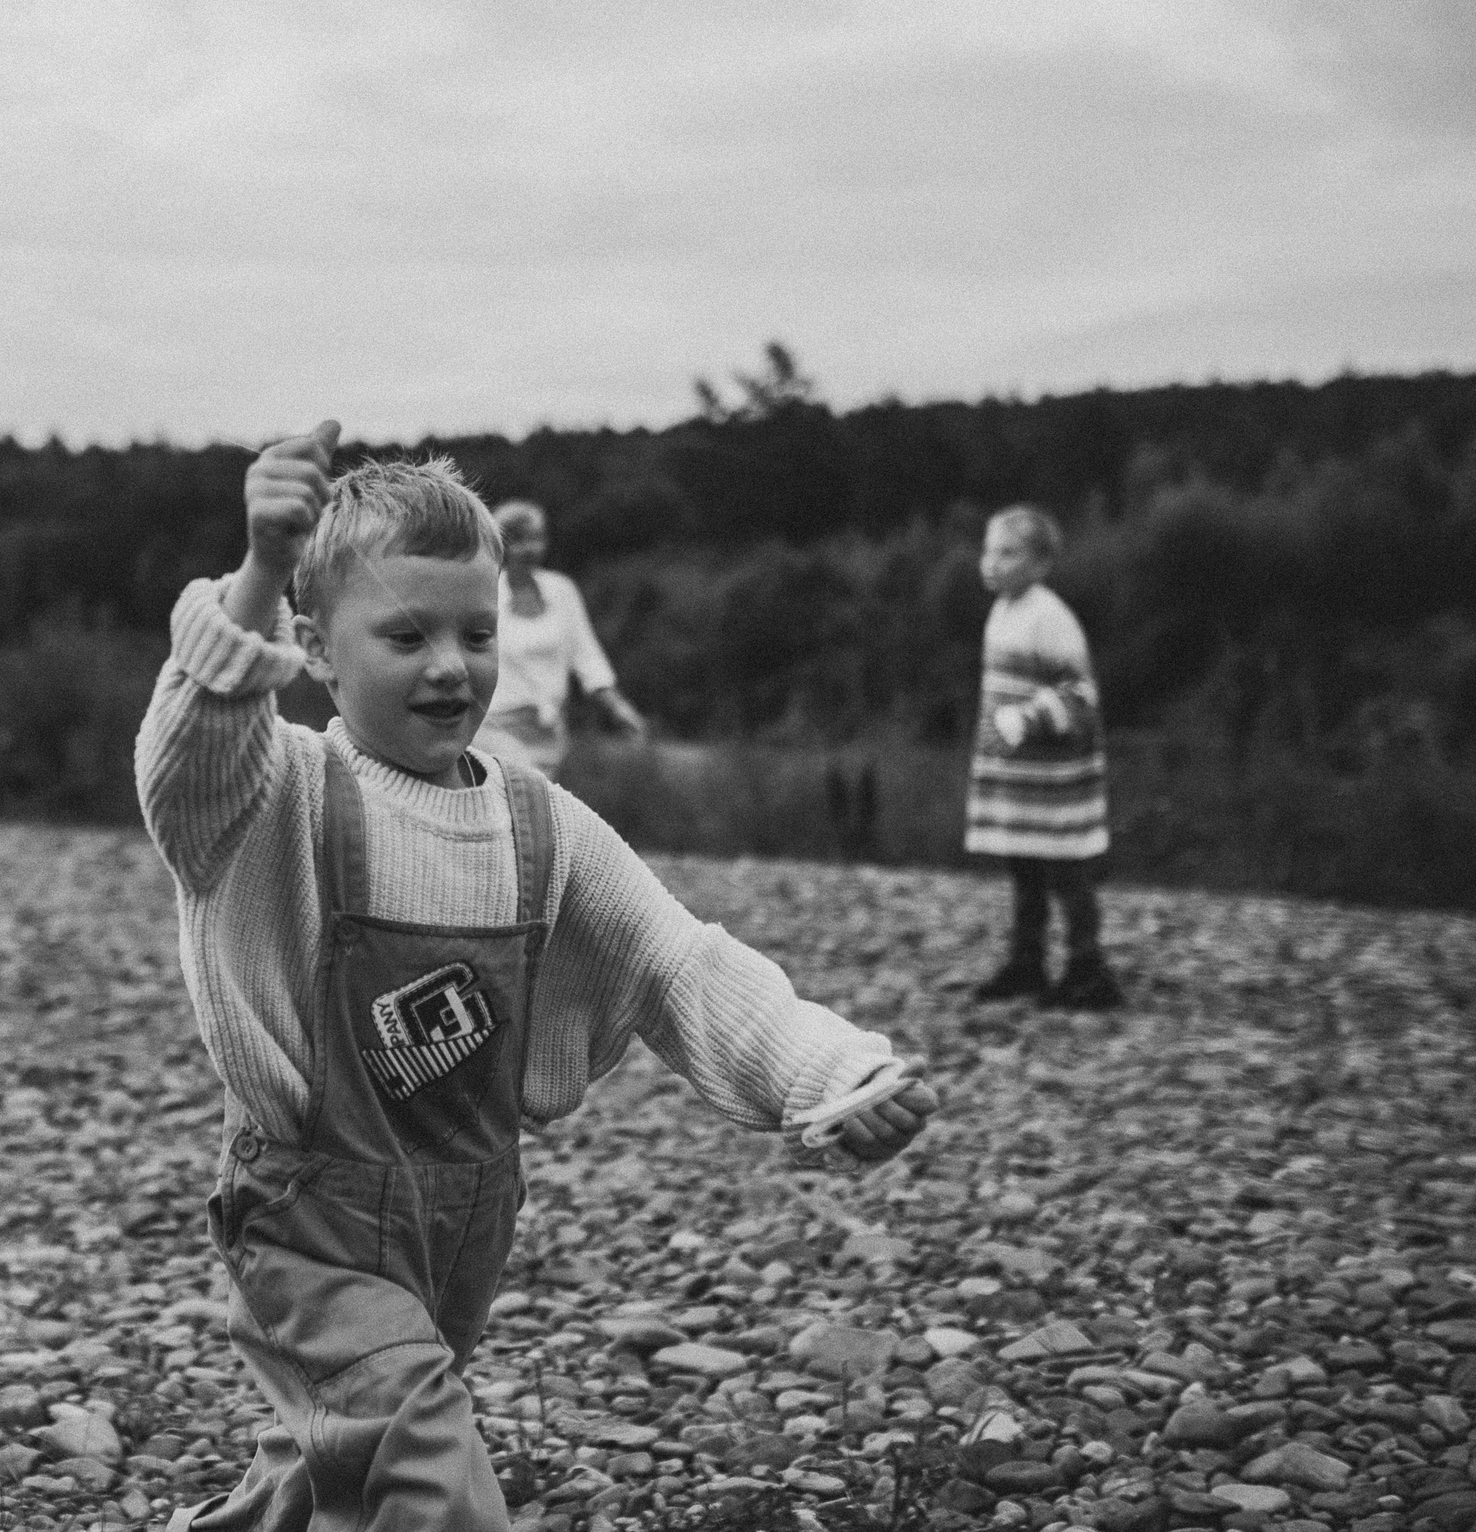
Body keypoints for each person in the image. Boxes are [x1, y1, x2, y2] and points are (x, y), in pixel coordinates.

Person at [137, 422, 937, 1532]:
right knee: (415, 1441)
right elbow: (188, 761)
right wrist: (260, 574)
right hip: (309, 1214)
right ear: (315, 647)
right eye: (406, 636)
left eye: (476, 630)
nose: (451, 665)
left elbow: (673, 959)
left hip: (466, 1208)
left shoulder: (536, 822)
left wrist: (834, 1074)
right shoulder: (283, 794)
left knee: (342, 1449)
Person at [963, 504, 1124, 1010]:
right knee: (1024, 870)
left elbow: (1081, 694)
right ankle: (1026, 963)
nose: (991, 562)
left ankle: (1088, 968)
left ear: (1039, 563)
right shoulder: (1002, 612)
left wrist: (1028, 719)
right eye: (989, 550)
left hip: (1056, 780)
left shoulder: (1050, 617)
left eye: (1007, 553)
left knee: (1067, 873)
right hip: (1019, 779)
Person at [472, 498, 646, 773]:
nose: (530, 548)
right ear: (501, 543)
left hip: (550, 729)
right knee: (522, 800)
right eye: (519, 539)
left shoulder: (562, 590)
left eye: (537, 538)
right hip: (496, 728)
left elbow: (587, 656)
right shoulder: (485, 593)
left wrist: (618, 708)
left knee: (538, 806)